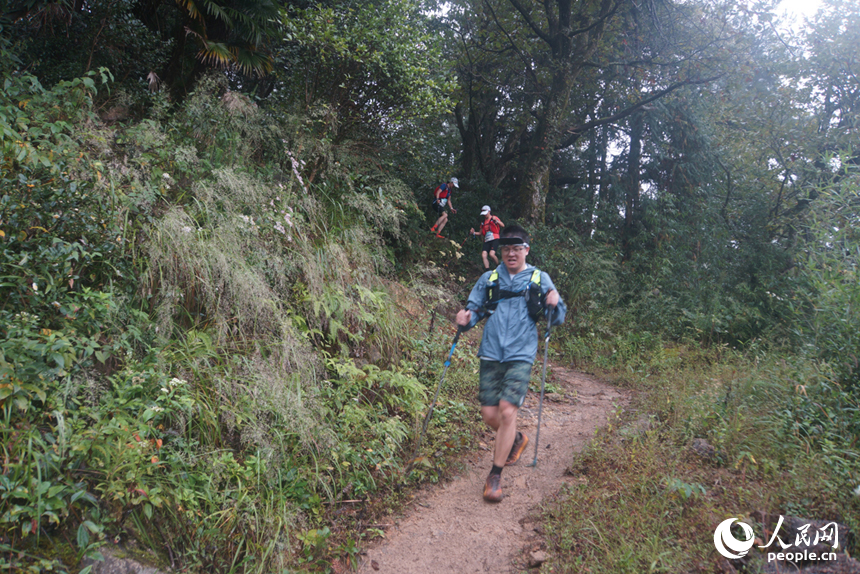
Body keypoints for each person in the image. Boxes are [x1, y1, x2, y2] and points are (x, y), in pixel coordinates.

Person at [455, 225, 566, 503]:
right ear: (501, 252)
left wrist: (555, 303)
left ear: (526, 250)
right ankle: (516, 439)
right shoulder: (489, 277)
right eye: (506, 248)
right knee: (490, 415)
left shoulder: (540, 278)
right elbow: (475, 309)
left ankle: (494, 476)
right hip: (491, 352)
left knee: (506, 411)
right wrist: (465, 318)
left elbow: (558, 315)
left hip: (521, 353)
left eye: (517, 248)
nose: (511, 253)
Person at [470, 205, 505, 270]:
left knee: (491, 254)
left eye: (486, 213)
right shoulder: (483, 222)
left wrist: (496, 221)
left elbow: (502, 225)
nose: (485, 215)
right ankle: (487, 270)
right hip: (487, 240)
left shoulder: (494, 218)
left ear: (489, 211)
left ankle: (498, 266)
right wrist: (473, 233)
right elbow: (480, 233)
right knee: (484, 255)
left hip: (494, 238)